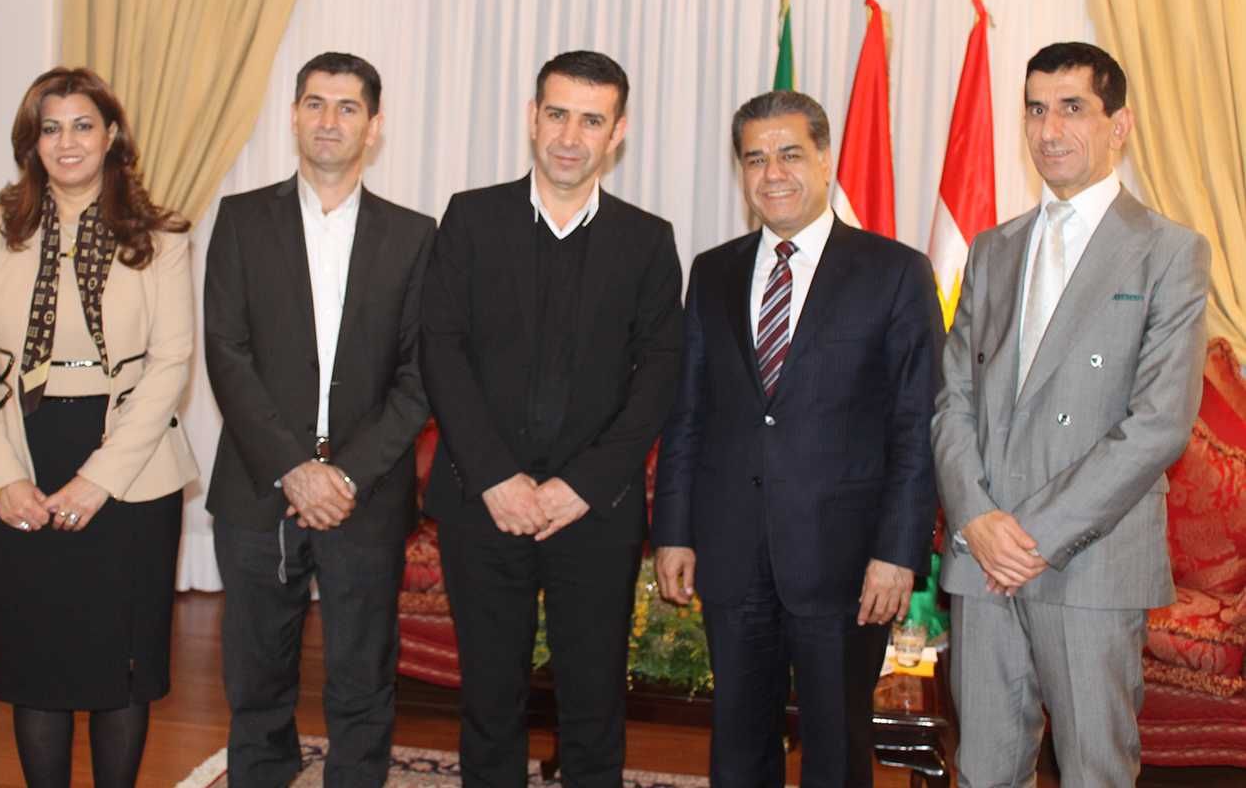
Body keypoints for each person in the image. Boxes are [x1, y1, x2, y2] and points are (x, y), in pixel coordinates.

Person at [934, 42, 1210, 785]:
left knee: (1094, 771)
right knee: (984, 771)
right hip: (983, 559)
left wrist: (1035, 536)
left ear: (1119, 125)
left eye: (1072, 108)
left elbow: (1158, 423)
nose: (1049, 129)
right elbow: (951, 396)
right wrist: (977, 518)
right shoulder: (992, 249)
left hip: (1089, 563)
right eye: (1035, 109)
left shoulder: (1168, 252)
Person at [652, 89, 943, 788]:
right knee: (738, 745)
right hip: (730, 554)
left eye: (789, 154)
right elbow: (688, 413)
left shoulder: (895, 272)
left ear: (824, 157)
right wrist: (673, 531)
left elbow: (916, 425)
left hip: (845, 564)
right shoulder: (714, 270)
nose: (772, 173)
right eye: (755, 159)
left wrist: (897, 555)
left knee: (836, 750)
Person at [420, 50, 683, 787]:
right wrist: (497, 477)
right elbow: (441, 352)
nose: (571, 135)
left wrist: (582, 486)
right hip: (483, 505)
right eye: (558, 114)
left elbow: (658, 377)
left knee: (595, 704)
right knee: (490, 700)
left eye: (591, 120)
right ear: (533, 118)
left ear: (617, 133)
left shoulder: (648, 240)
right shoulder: (470, 219)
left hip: (593, 516)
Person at [0, 67, 196, 787]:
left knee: (120, 667)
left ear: (112, 135)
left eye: (83, 124)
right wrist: (1, 477)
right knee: (38, 663)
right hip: (21, 450)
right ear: (31, 143)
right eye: (50, 127)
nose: (68, 142)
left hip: (130, 463)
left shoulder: (161, 234)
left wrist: (99, 479)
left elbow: (171, 361)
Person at [204, 51, 436, 787]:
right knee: (256, 681)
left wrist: (342, 474)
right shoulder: (241, 220)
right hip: (257, 489)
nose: (328, 120)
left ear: (374, 127)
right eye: (314, 103)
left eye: (346, 107)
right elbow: (226, 352)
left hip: (365, 495)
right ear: (294, 115)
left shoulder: (415, 235)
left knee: (361, 680)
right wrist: (294, 468)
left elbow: (419, 376)